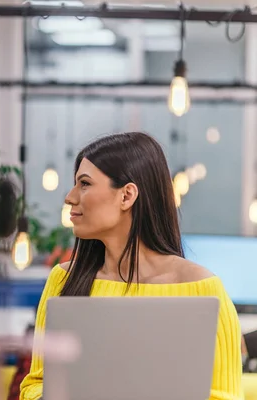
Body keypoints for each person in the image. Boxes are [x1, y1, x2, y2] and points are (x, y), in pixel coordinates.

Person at [19, 132, 242, 400]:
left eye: (85, 184)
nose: (69, 197)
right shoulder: (63, 279)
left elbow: (225, 396)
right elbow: (34, 385)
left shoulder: (204, 290)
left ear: (127, 196)